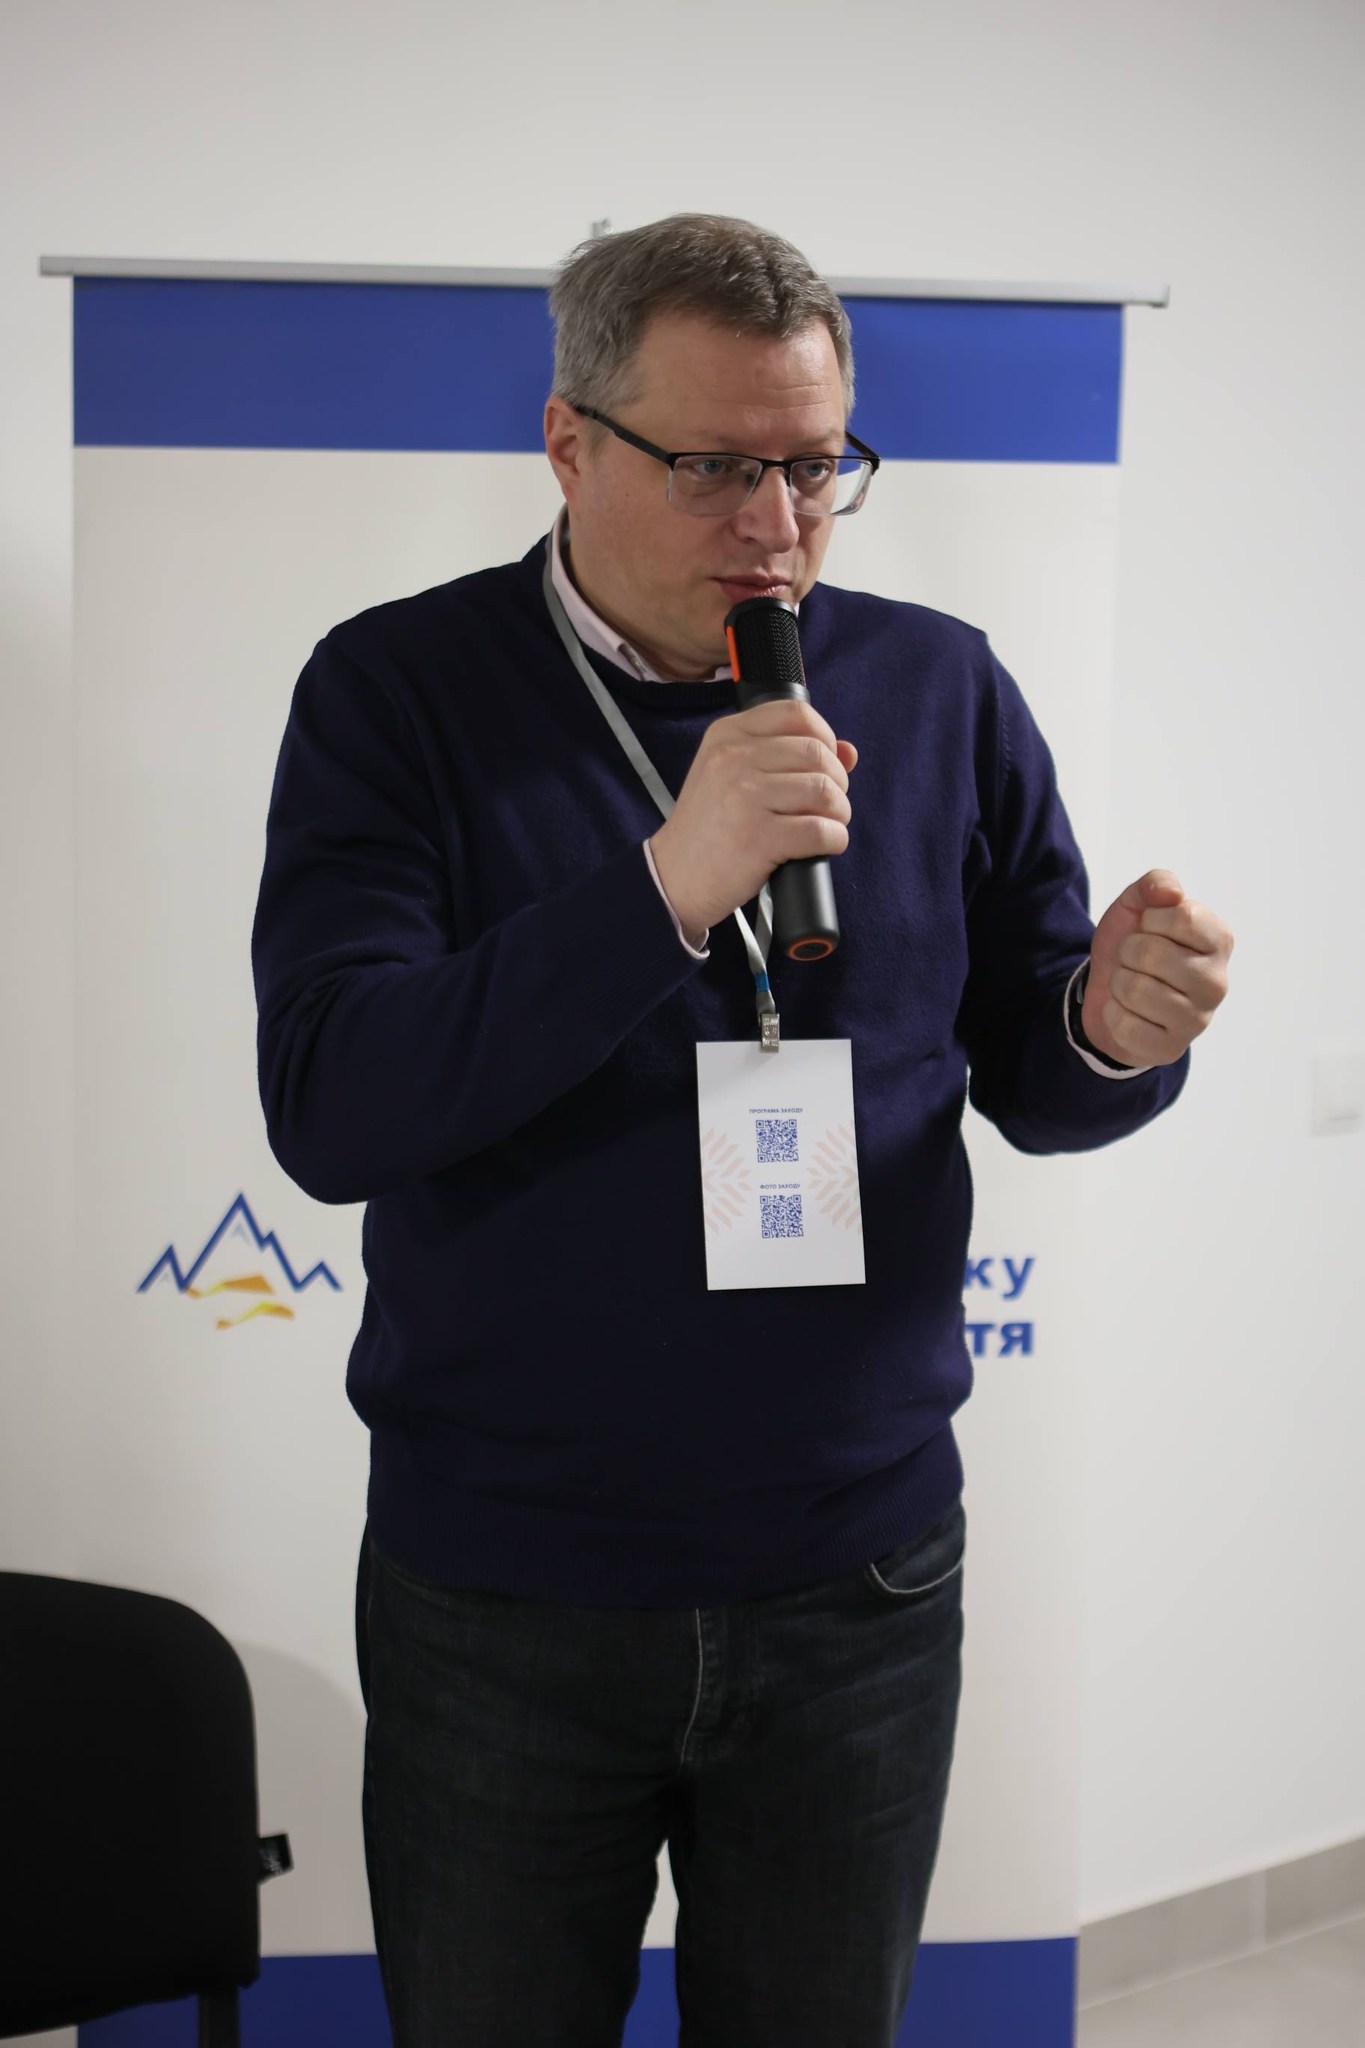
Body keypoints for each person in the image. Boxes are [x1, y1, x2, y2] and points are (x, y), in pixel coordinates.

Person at [252, 214, 1233, 2048]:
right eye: (713, 468)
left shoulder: (936, 682)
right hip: (509, 1587)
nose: (775, 527)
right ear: (568, 444)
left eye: (814, 468)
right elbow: (334, 1101)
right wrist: (663, 886)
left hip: (859, 1576)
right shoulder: (396, 692)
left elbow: (1033, 1064)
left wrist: (1110, 1032)